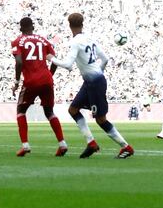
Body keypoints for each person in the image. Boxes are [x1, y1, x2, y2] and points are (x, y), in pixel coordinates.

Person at [47, 13, 133, 159]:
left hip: (94, 83)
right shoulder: (89, 38)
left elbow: (68, 65)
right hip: (91, 81)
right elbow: (105, 59)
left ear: (69, 25)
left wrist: (52, 58)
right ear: (82, 24)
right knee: (73, 110)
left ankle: (126, 147)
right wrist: (98, 73)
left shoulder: (75, 42)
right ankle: (91, 143)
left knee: (101, 119)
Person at [11, 17, 67, 157]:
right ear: (33, 27)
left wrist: (17, 82)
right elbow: (55, 61)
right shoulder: (43, 40)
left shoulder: (17, 41)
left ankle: (25, 145)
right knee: (49, 112)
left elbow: (18, 62)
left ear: (20, 28)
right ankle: (62, 144)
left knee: (21, 110)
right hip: (46, 80)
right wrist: (49, 75)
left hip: (30, 81)